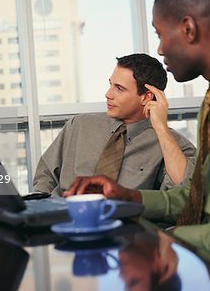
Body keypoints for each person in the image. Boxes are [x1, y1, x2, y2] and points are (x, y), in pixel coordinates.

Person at [65, 0, 210, 259]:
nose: (161, 49)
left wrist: (176, 240)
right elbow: (196, 195)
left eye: (161, 34)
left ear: (189, 29)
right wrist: (129, 197)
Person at [33, 53, 196, 195]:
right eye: (110, 84)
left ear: (146, 97)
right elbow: (45, 175)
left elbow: (184, 189)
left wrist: (161, 127)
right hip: (62, 219)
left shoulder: (174, 145)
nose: (108, 94)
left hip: (125, 225)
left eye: (119, 88)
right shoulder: (79, 125)